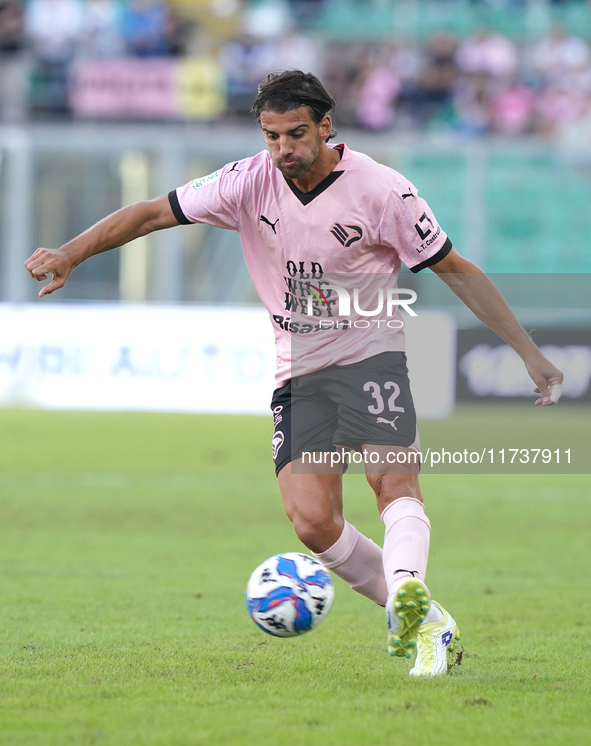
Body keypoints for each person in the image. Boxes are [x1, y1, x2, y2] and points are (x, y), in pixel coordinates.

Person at [24, 70, 563, 676]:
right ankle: (424, 617)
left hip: (370, 357)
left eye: (296, 134)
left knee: (392, 482)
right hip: (299, 373)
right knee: (312, 521)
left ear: (326, 126)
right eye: (272, 136)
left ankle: (407, 583)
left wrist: (526, 350)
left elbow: (454, 268)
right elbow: (152, 213)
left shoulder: (385, 192)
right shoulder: (246, 181)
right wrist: (71, 252)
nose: (283, 148)